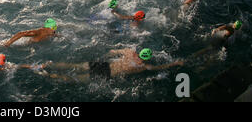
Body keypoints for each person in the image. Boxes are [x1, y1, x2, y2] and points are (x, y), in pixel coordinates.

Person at [37, 48, 183, 83]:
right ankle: (48, 75)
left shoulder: (129, 52)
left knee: (74, 65)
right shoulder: (143, 67)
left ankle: (49, 64)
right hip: (106, 74)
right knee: (75, 79)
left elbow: (112, 51)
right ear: (147, 58)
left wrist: (104, 57)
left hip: (103, 64)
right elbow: (159, 68)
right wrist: (174, 63)